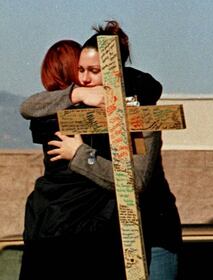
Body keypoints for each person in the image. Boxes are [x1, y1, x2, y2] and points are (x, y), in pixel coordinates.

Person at [20, 21, 182, 280]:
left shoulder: (139, 114)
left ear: (115, 72)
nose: (84, 78)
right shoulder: (83, 109)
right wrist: (77, 95)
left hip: (152, 226)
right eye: (80, 70)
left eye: (93, 71)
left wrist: (80, 154)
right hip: (119, 231)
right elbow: (29, 106)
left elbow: (134, 180)